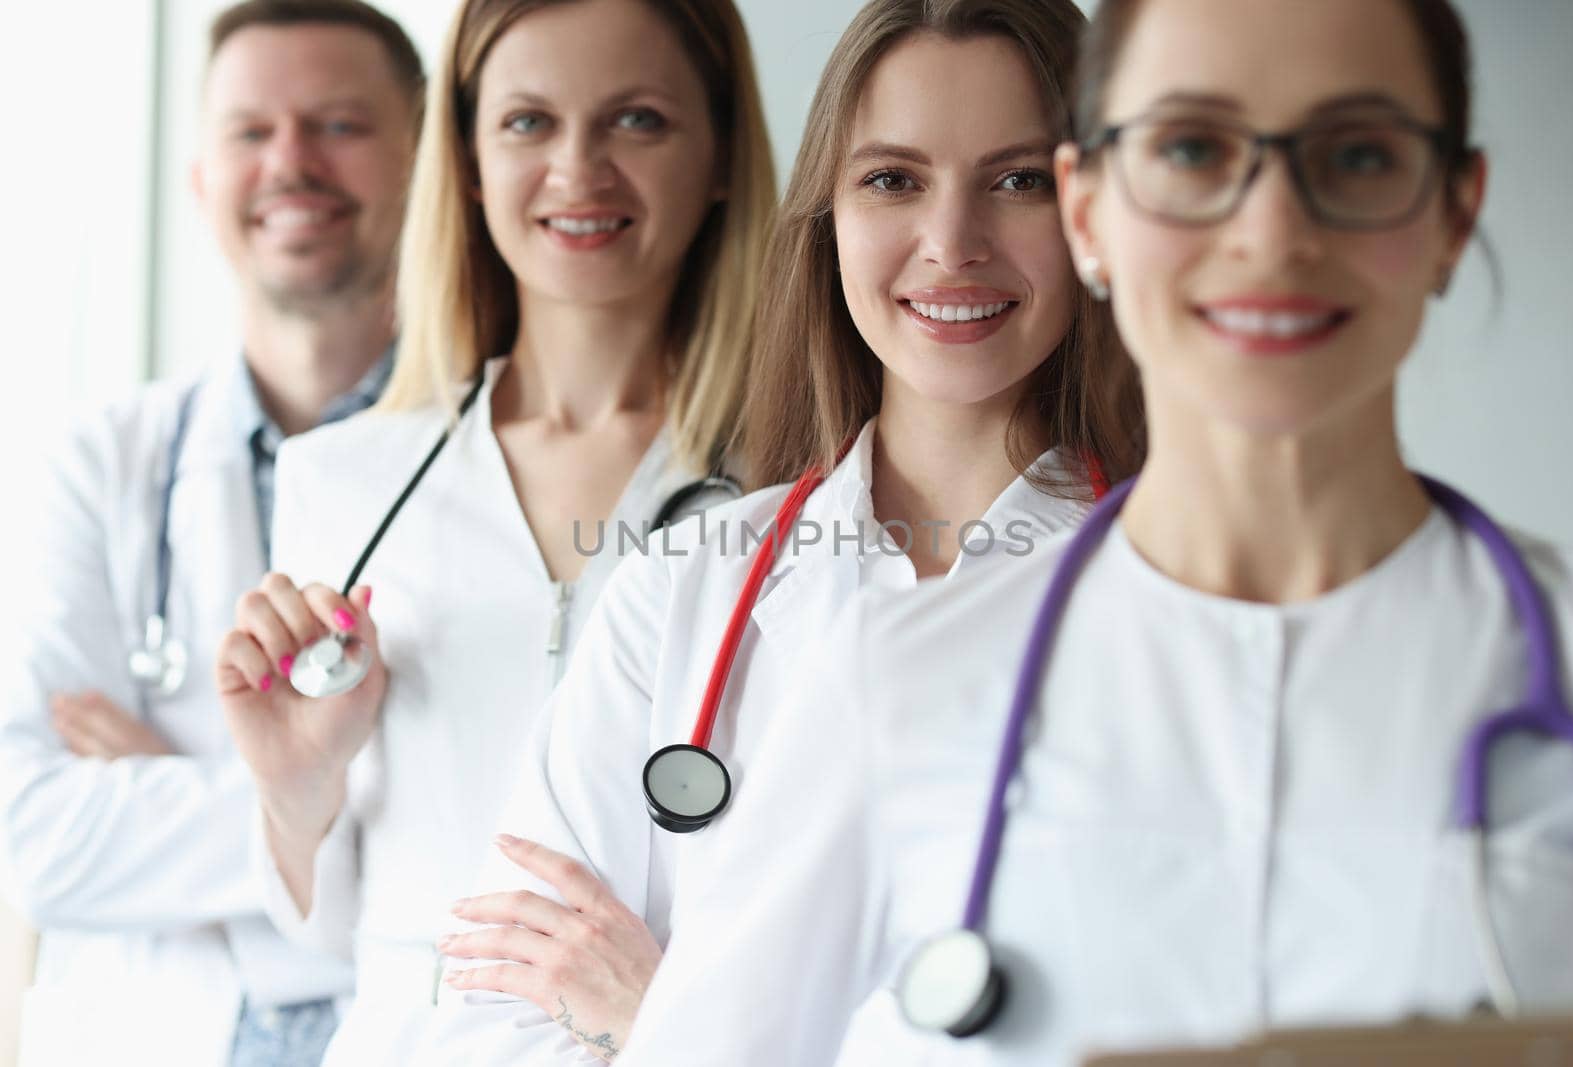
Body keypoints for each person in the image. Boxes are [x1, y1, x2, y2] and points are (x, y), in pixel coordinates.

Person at [613, 0, 1573, 1064]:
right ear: (1089, 213)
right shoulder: (897, 678)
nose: (1268, 230)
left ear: (1456, 210)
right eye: (1188, 149)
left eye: (1356, 154)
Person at [414, 0, 1143, 1061]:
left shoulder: (1175, 594)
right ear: (829, 214)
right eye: (892, 178)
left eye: (1017, 179)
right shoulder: (688, 584)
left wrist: (664, 1014)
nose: (951, 243)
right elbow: (490, 1020)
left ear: (1091, 211)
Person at [212, 0, 777, 1063]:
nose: (578, 170)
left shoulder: (800, 490)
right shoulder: (344, 481)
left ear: (719, 157)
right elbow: (321, 937)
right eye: (527, 123)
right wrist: (295, 784)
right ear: (467, 161)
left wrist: (678, 1005)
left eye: (638, 120)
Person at [0, 2, 423, 1065]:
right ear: (199, 179)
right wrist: (301, 791)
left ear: (431, 163)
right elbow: (32, 834)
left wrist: (164, 765)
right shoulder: (99, 463)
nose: (290, 162)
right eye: (249, 131)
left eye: (337, 124)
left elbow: (489, 842)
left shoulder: (490, 455)